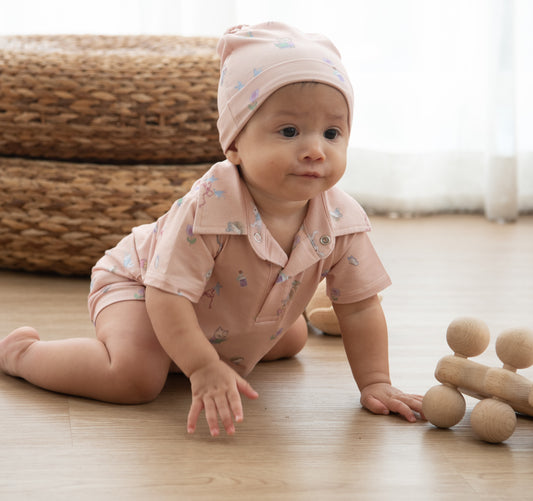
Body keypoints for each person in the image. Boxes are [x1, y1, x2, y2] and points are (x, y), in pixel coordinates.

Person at [0, 22, 423, 436]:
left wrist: (375, 381)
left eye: (332, 133)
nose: (315, 150)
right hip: (143, 286)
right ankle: (22, 356)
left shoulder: (342, 221)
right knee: (135, 378)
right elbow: (166, 294)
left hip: (220, 312)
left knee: (291, 339)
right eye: (290, 131)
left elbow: (361, 306)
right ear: (235, 144)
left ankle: (191, 349)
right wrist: (203, 367)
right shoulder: (209, 208)